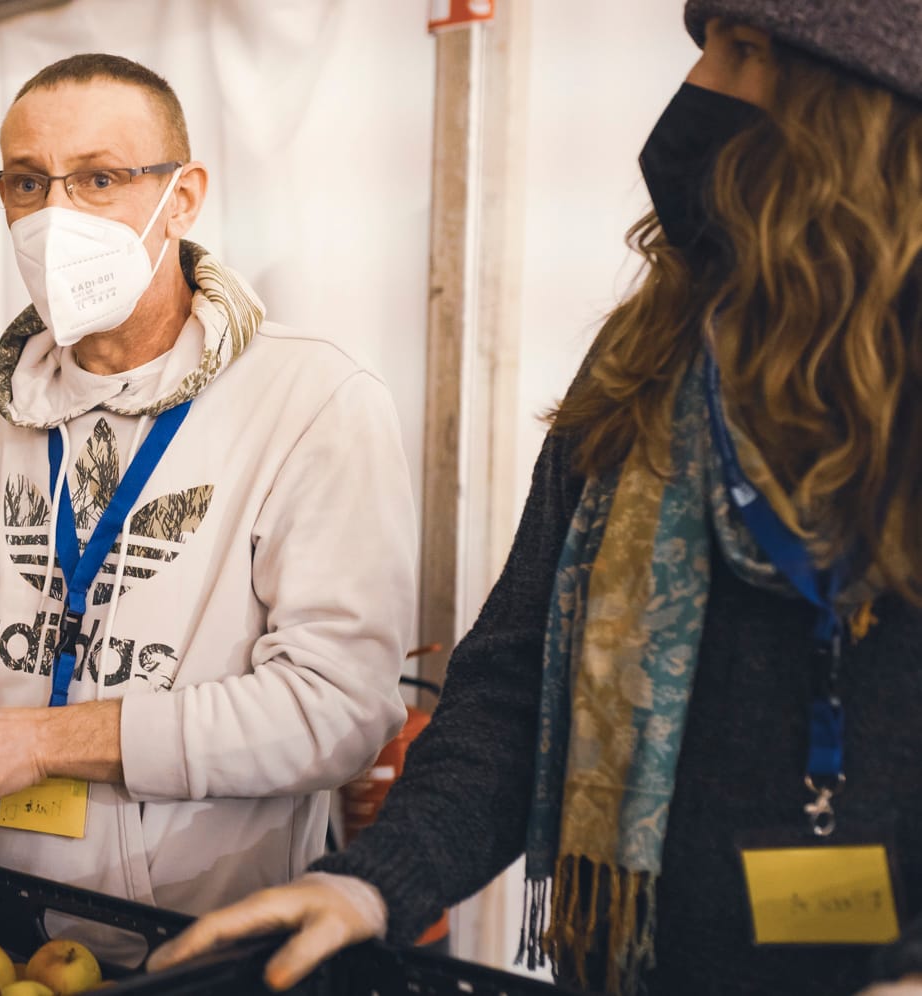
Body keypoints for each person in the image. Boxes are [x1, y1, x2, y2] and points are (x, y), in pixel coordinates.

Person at [152, 3, 922, 994]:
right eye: (704, 46)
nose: (696, 91)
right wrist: (374, 883)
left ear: (856, 109)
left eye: (746, 53)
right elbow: (510, 688)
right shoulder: (647, 361)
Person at [0, 54, 417, 917]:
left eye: (99, 178)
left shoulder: (314, 398)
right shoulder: (10, 393)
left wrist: (46, 741)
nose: (56, 216)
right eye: (27, 183)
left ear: (182, 196)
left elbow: (339, 710)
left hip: (188, 936)